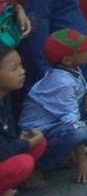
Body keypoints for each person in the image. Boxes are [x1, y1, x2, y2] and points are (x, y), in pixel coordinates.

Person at [19, 29, 87, 183]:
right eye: (83, 49)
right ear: (68, 59)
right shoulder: (61, 82)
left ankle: (67, 153)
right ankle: (37, 166)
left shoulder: (71, 68)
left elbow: (81, 87)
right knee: (78, 132)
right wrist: (83, 161)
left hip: (58, 123)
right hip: (38, 133)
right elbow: (73, 122)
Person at [0, 47, 45, 194]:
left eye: (21, 65)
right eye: (14, 68)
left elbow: (9, 132)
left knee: (39, 143)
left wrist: (25, 140)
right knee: (23, 163)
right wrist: (28, 142)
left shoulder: (5, 94)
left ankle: (7, 184)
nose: (22, 71)